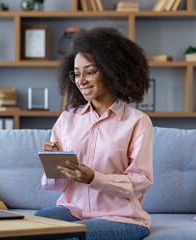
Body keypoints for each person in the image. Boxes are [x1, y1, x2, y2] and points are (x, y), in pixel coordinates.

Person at [34, 27, 153, 240]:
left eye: (89, 72)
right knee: (34, 225)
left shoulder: (137, 122)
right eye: (77, 74)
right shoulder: (67, 120)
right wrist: (52, 164)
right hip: (73, 211)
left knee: (73, 236)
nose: (81, 81)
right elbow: (57, 186)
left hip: (120, 218)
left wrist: (94, 178)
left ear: (111, 70)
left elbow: (140, 182)